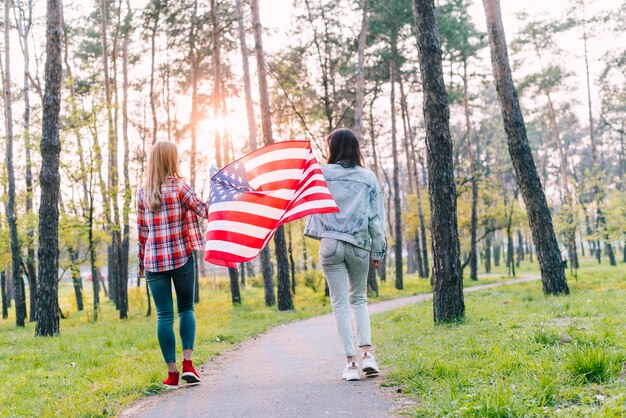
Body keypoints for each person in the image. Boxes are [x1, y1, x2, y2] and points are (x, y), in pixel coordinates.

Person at [304, 128, 386, 381]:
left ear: (333, 148)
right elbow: (375, 218)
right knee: (359, 299)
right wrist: (378, 250)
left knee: (339, 303)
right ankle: (367, 355)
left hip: (330, 243)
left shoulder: (320, 173)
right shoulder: (368, 177)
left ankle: (350, 365)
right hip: (359, 243)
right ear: (355, 148)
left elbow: (305, 198)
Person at [137, 141, 209, 389]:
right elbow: (204, 211)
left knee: (164, 316)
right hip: (181, 257)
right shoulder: (181, 187)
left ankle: (172, 374)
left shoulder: (142, 193)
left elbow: (142, 233)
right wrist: (224, 197)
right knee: (186, 309)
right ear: (172, 159)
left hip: (153, 262)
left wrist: (140, 263)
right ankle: (188, 364)